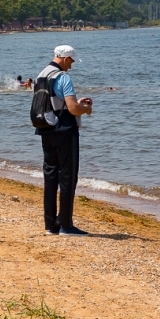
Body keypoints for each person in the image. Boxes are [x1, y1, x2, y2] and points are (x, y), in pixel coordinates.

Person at [37, 45, 93, 236]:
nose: (71, 65)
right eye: (71, 61)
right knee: (68, 177)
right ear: (65, 58)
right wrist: (84, 108)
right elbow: (72, 109)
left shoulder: (41, 75)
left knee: (50, 176)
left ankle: (51, 225)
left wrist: (77, 104)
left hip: (46, 129)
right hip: (65, 131)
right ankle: (66, 225)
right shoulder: (63, 77)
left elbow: (51, 103)